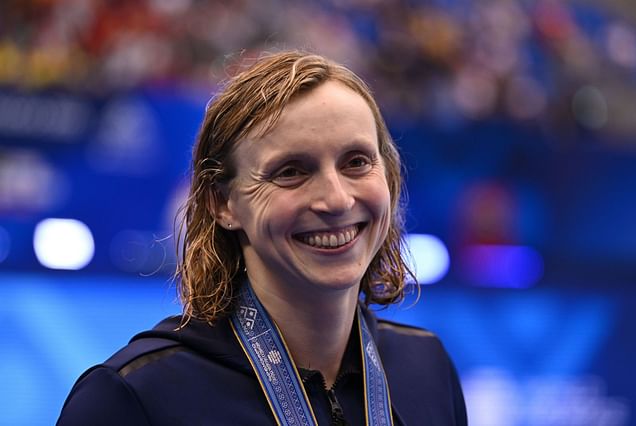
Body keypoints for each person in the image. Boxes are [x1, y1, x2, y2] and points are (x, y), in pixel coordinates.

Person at [57, 51, 467, 425]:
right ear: (223, 204)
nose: (337, 199)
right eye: (291, 171)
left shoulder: (426, 368)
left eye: (357, 162)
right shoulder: (133, 397)